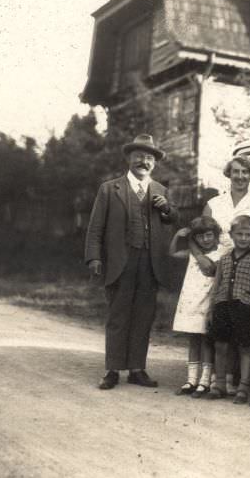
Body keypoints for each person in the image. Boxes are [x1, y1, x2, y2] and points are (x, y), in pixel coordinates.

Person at [85, 134, 178, 390]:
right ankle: (112, 370)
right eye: (139, 156)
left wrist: (167, 208)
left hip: (150, 262)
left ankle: (137, 369)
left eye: (149, 158)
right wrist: (93, 256)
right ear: (129, 158)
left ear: (154, 163)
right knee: (118, 315)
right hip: (120, 261)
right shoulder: (109, 188)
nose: (144, 161)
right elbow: (95, 227)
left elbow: (173, 218)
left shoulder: (161, 190)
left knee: (143, 316)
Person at [203, 155, 250, 394]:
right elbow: (198, 232)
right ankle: (209, 380)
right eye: (235, 171)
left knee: (241, 329)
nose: (239, 176)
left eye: (245, 172)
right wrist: (200, 257)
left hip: (246, 265)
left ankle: (236, 381)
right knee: (215, 330)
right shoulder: (214, 203)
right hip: (216, 265)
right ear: (229, 174)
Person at [208, 215, 250, 404]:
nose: (243, 238)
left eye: (248, 235)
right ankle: (219, 384)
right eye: (239, 234)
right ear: (232, 235)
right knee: (220, 344)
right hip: (222, 306)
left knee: (244, 346)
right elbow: (216, 286)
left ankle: (243, 386)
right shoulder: (224, 259)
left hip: (245, 307)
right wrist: (211, 310)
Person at [170, 216, 222, 398]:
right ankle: (191, 380)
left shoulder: (221, 254)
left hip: (207, 303)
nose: (206, 240)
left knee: (207, 341)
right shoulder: (193, 255)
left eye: (209, 235)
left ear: (216, 235)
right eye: (200, 237)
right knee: (193, 340)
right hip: (191, 302)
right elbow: (173, 254)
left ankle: (205, 381)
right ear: (196, 239)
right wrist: (178, 236)